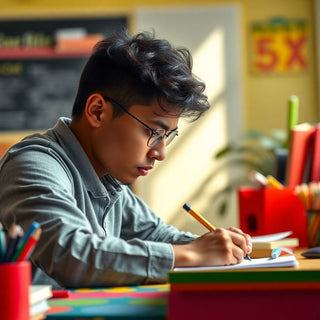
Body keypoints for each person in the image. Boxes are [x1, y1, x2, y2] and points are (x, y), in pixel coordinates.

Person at [0, 30, 251, 289]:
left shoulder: (106, 177)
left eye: (168, 136)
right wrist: (194, 254)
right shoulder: (32, 164)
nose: (160, 153)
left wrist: (222, 246)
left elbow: (158, 235)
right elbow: (73, 256)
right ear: (98, 111)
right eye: (154, 132)